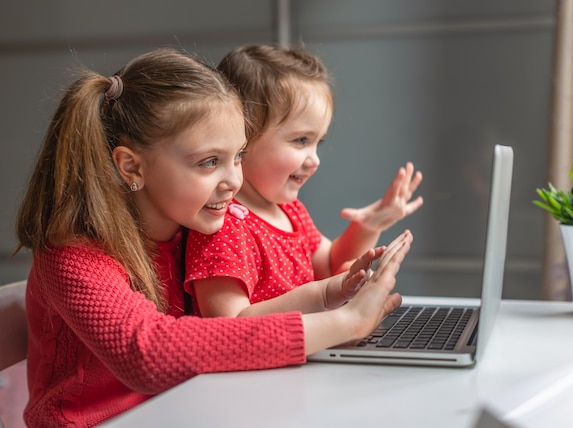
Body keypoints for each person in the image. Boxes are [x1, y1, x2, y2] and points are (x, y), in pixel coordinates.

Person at [14, 47, 413, 427]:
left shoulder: (191, 231)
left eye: (238, 156)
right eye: (209, 162)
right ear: (132, 167)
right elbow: (149, 353)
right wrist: (347, 323)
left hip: (185, 411)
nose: (234, 181)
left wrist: (331, 294)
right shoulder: (73, 255)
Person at [184, 44, 423, 318]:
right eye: (301, 141)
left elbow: (330, 264)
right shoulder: (221, 227)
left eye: (317, 143)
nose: (314, 160)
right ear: (242, 136)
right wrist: (321, 297)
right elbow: (229, 324)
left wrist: (369, 227)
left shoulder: (290, 210)